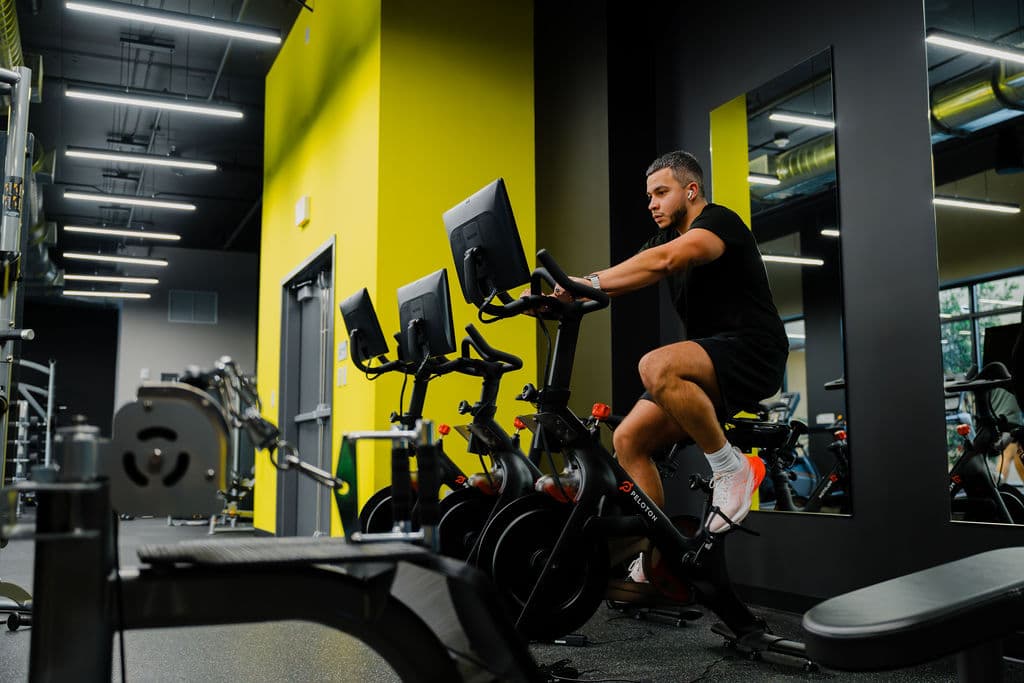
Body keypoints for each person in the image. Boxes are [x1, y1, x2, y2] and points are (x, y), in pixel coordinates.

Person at [550, 151, 789, 543]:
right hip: (712, 356)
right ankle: (660, 558)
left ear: (691, 190)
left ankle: (731, 468)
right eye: (649, 197)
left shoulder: (719, 222)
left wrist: (586, 284)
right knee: (628, 440)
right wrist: (564, 295)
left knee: (656, 365)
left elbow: (665, 260)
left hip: (754, 351)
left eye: (661, 192)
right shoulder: (663, 239)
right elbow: (635, 268)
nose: (652, 204)